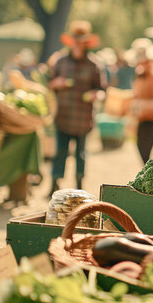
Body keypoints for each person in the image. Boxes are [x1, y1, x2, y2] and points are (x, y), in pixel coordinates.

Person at [48, 21, 106, 194]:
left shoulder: (94, 65)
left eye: (82, 41)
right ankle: (53, 184)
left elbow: (102, 90)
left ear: (86, 43)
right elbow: (49, 84)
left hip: (83, 118)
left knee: (81, 155)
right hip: (63, 116)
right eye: (76, 40)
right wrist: (56, 83)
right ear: (71, 41)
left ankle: (79, 186)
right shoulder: (60, 62)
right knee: (60, 153)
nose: (79, 44)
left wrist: (96, 94)